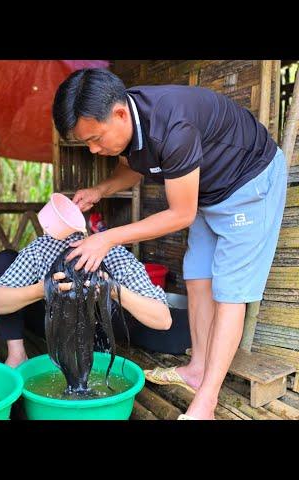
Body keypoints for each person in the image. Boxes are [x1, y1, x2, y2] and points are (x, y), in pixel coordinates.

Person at [52, 68, 287, 419]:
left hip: (249, 185)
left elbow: (180, 215)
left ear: (118, 113)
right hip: (208, 193)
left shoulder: (172, 126)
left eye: (96, 138)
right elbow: (135, 165)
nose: (94, 149)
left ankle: (206, 401)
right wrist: (100, 190)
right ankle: (196, 369)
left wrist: (106, 239)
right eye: (86, 142)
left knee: (230, 292)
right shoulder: (130, 122)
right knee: (196, 276)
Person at [0, 231, 172, 368]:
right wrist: (42, 289)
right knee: (4, 259)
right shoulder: (43, 248)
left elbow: (163, 319)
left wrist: (113, 290)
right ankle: (17, 355)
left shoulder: (117, 256)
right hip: (50, 324)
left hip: (99, 329)